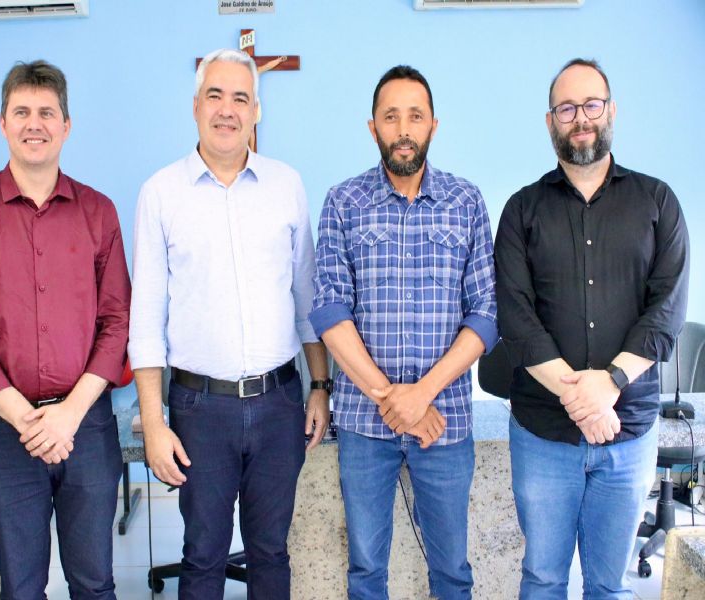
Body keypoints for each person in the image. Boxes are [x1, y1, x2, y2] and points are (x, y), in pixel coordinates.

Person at [128, 48, 330, 600]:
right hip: (200, 410)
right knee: (203, 556)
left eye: (240, 98)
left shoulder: (286, 185)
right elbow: (145, 318)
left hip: (279, 404)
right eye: (214, 95)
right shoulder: (160, 193)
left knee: (271, 553)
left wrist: (319, 385)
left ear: (256, 111)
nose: (227, 109)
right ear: (195, 105)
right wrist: (154, 421)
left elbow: (307, 299)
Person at [494, 58, 689, 599]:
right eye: (566, 108)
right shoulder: (521, 210)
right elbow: (516, 317)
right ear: (550, 120)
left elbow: (667, 310)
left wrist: (610, 385)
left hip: (628, 432)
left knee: (608, 585)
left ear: (611, 111)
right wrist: (582, 399)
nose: (580, 117)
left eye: (591, 104)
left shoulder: (657, 202)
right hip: (543, 434)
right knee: (542, 580)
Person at [0, 60, 131, 600]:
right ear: (2, 123)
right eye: (21, 111)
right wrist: (30, 422)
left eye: (47, 112)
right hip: (5, 432)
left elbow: (117, 320)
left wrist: (68, 416)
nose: (34, 123)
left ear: (66, 126)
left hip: (86, 427)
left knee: (94, 583)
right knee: (21, 588)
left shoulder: (98, 211)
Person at [309, 65, 498, 600]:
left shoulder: (466, 202)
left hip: (444, 421)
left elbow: (486, 313)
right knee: (366, 571)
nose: (403, 128)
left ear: (433, 125)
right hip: (364, 425)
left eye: (415, 116)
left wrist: (423, 395)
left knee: (452, 571)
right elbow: (329, 311)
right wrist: (392, 398)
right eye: (391, 117)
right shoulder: (343, 202)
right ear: (373, 128)